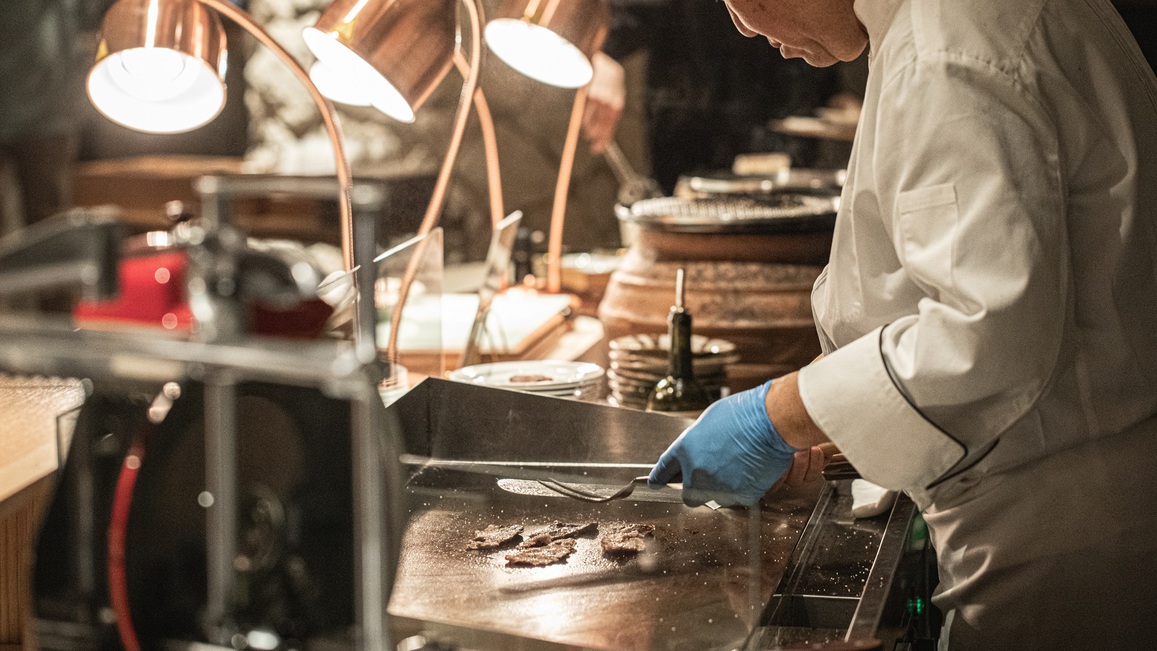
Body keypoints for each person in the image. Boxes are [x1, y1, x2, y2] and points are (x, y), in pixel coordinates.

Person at [648, 0, 1157, 649]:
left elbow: (986, 337)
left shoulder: (948, 38)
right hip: (1064, 507)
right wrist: (833, 433)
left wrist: (776, 413)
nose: (743, 26)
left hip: (1066, 555)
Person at [582, 0, 844, 193]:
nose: (745, 28)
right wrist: (606, 54)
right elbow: (635, 12)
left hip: (783, 128)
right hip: (694, 124)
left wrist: (833, 91)